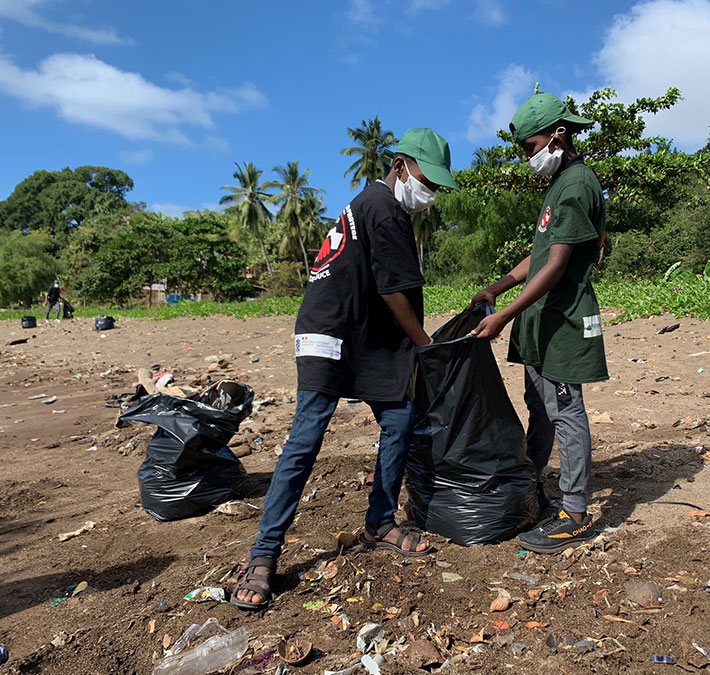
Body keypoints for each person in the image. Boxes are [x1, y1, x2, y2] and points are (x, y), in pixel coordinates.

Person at [232, 128, 457, 611]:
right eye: (426, 179)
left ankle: (379, 521)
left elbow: (380, 285)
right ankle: (264, 554)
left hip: (366, 336)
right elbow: (395, 291)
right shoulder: (384, 208)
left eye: (437, 186)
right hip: (330, 333)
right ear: (400, 165)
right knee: (306, 438)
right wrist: (428, 348)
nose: (430, 193)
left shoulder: (374, 205)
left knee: (399, 418)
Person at [469, 93, 607, 554]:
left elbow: (557, 267)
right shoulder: (559, 184)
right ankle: (536, 486)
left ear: (558, 134)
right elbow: (539, 256)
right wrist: (497, 288)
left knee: (566, 411)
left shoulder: (576, 185)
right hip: (540, 323)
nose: (529, 157)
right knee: (542, 406)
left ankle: (575, 513)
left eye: (531, 146)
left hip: (563, 321)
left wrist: (503, 316)